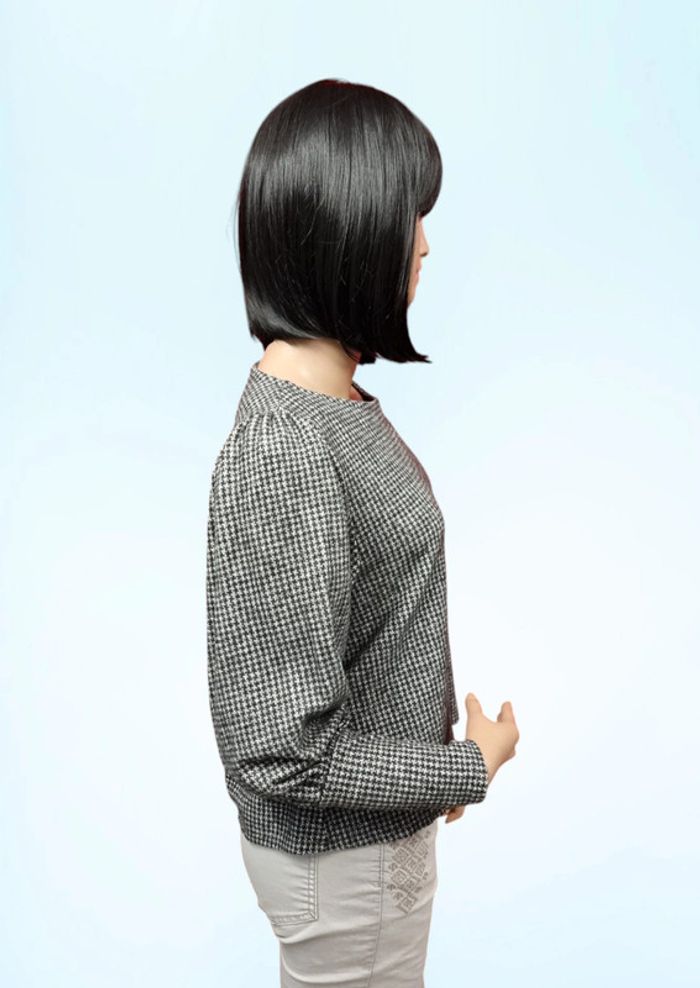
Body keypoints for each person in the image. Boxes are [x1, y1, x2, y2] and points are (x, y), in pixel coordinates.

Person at [206, 77, 520, 987]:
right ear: (345, 230)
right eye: (406, 215)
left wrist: (428, 772)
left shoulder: (330, 403)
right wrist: (466, 767)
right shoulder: (285, 449)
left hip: (366, 854)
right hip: (346, 871)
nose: (422, 244)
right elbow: (283, 754)